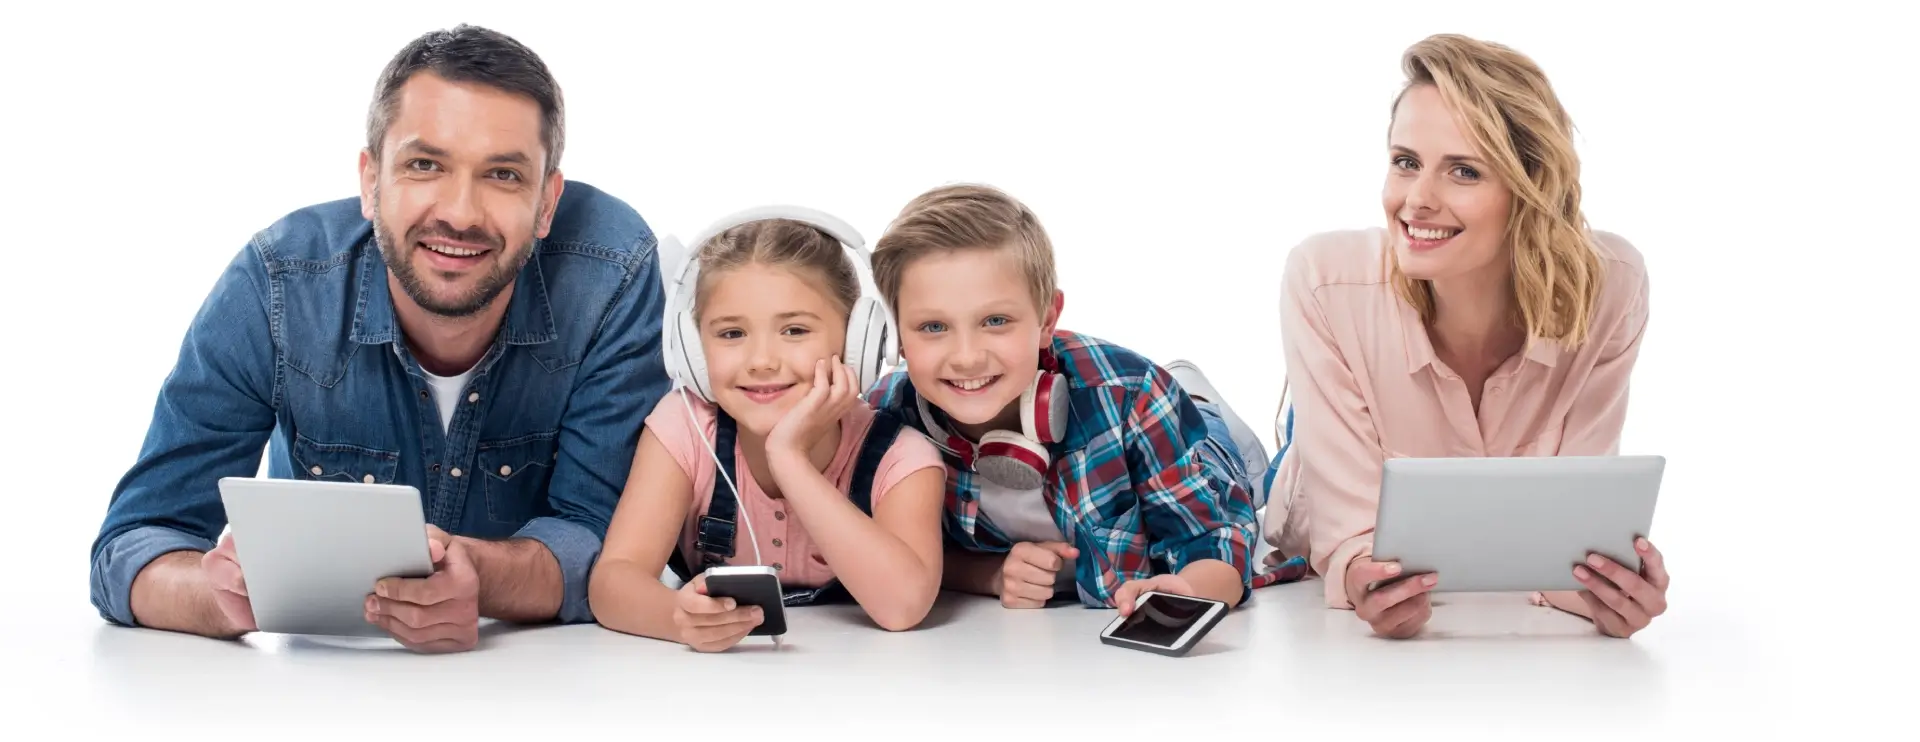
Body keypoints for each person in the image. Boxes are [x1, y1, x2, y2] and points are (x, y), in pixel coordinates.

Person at [86, 24, 669, 653]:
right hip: (316, 694)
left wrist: (480, 576)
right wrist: (218, 596)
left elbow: (603, 543)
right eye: (425, 165)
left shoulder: (613, 273)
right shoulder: (278, 284)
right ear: (370, 180)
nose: (461, 213)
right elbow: (133, 545)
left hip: (550, 692)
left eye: (502, 175)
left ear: (547, 202)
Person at [1261, 33, 1664, 639]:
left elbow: (1568, 540)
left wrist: (1608, 593)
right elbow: (1347, 537)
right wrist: (1359, 577)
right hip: (1296, 482)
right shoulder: (1324, 280)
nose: (1416, 201)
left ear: (1531, 192)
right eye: (1406, 162)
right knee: (1211, 452)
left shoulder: (1611, 287)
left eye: (1464, 171)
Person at [864, 183, 1270, 618]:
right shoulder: (885, 420)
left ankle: (1198, 396)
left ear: (1047, 319)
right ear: (894, 339)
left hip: (1188, 438)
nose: (966, 357)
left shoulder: (1130, 394)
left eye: (995, 320)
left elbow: (1216, 539)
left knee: (1229, 461)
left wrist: (1190, 587)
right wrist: (992, 574)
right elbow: (906, 558)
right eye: (933, 327)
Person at [588, 209, 946, 652]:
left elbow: (903, 606)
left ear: (858, 343)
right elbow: (613, 582)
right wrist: (676, 619)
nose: (761, 360)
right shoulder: (684, 428)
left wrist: (788, 458)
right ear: (692, 348)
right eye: (732, 333)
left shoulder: (900, 458)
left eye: (794, 330)